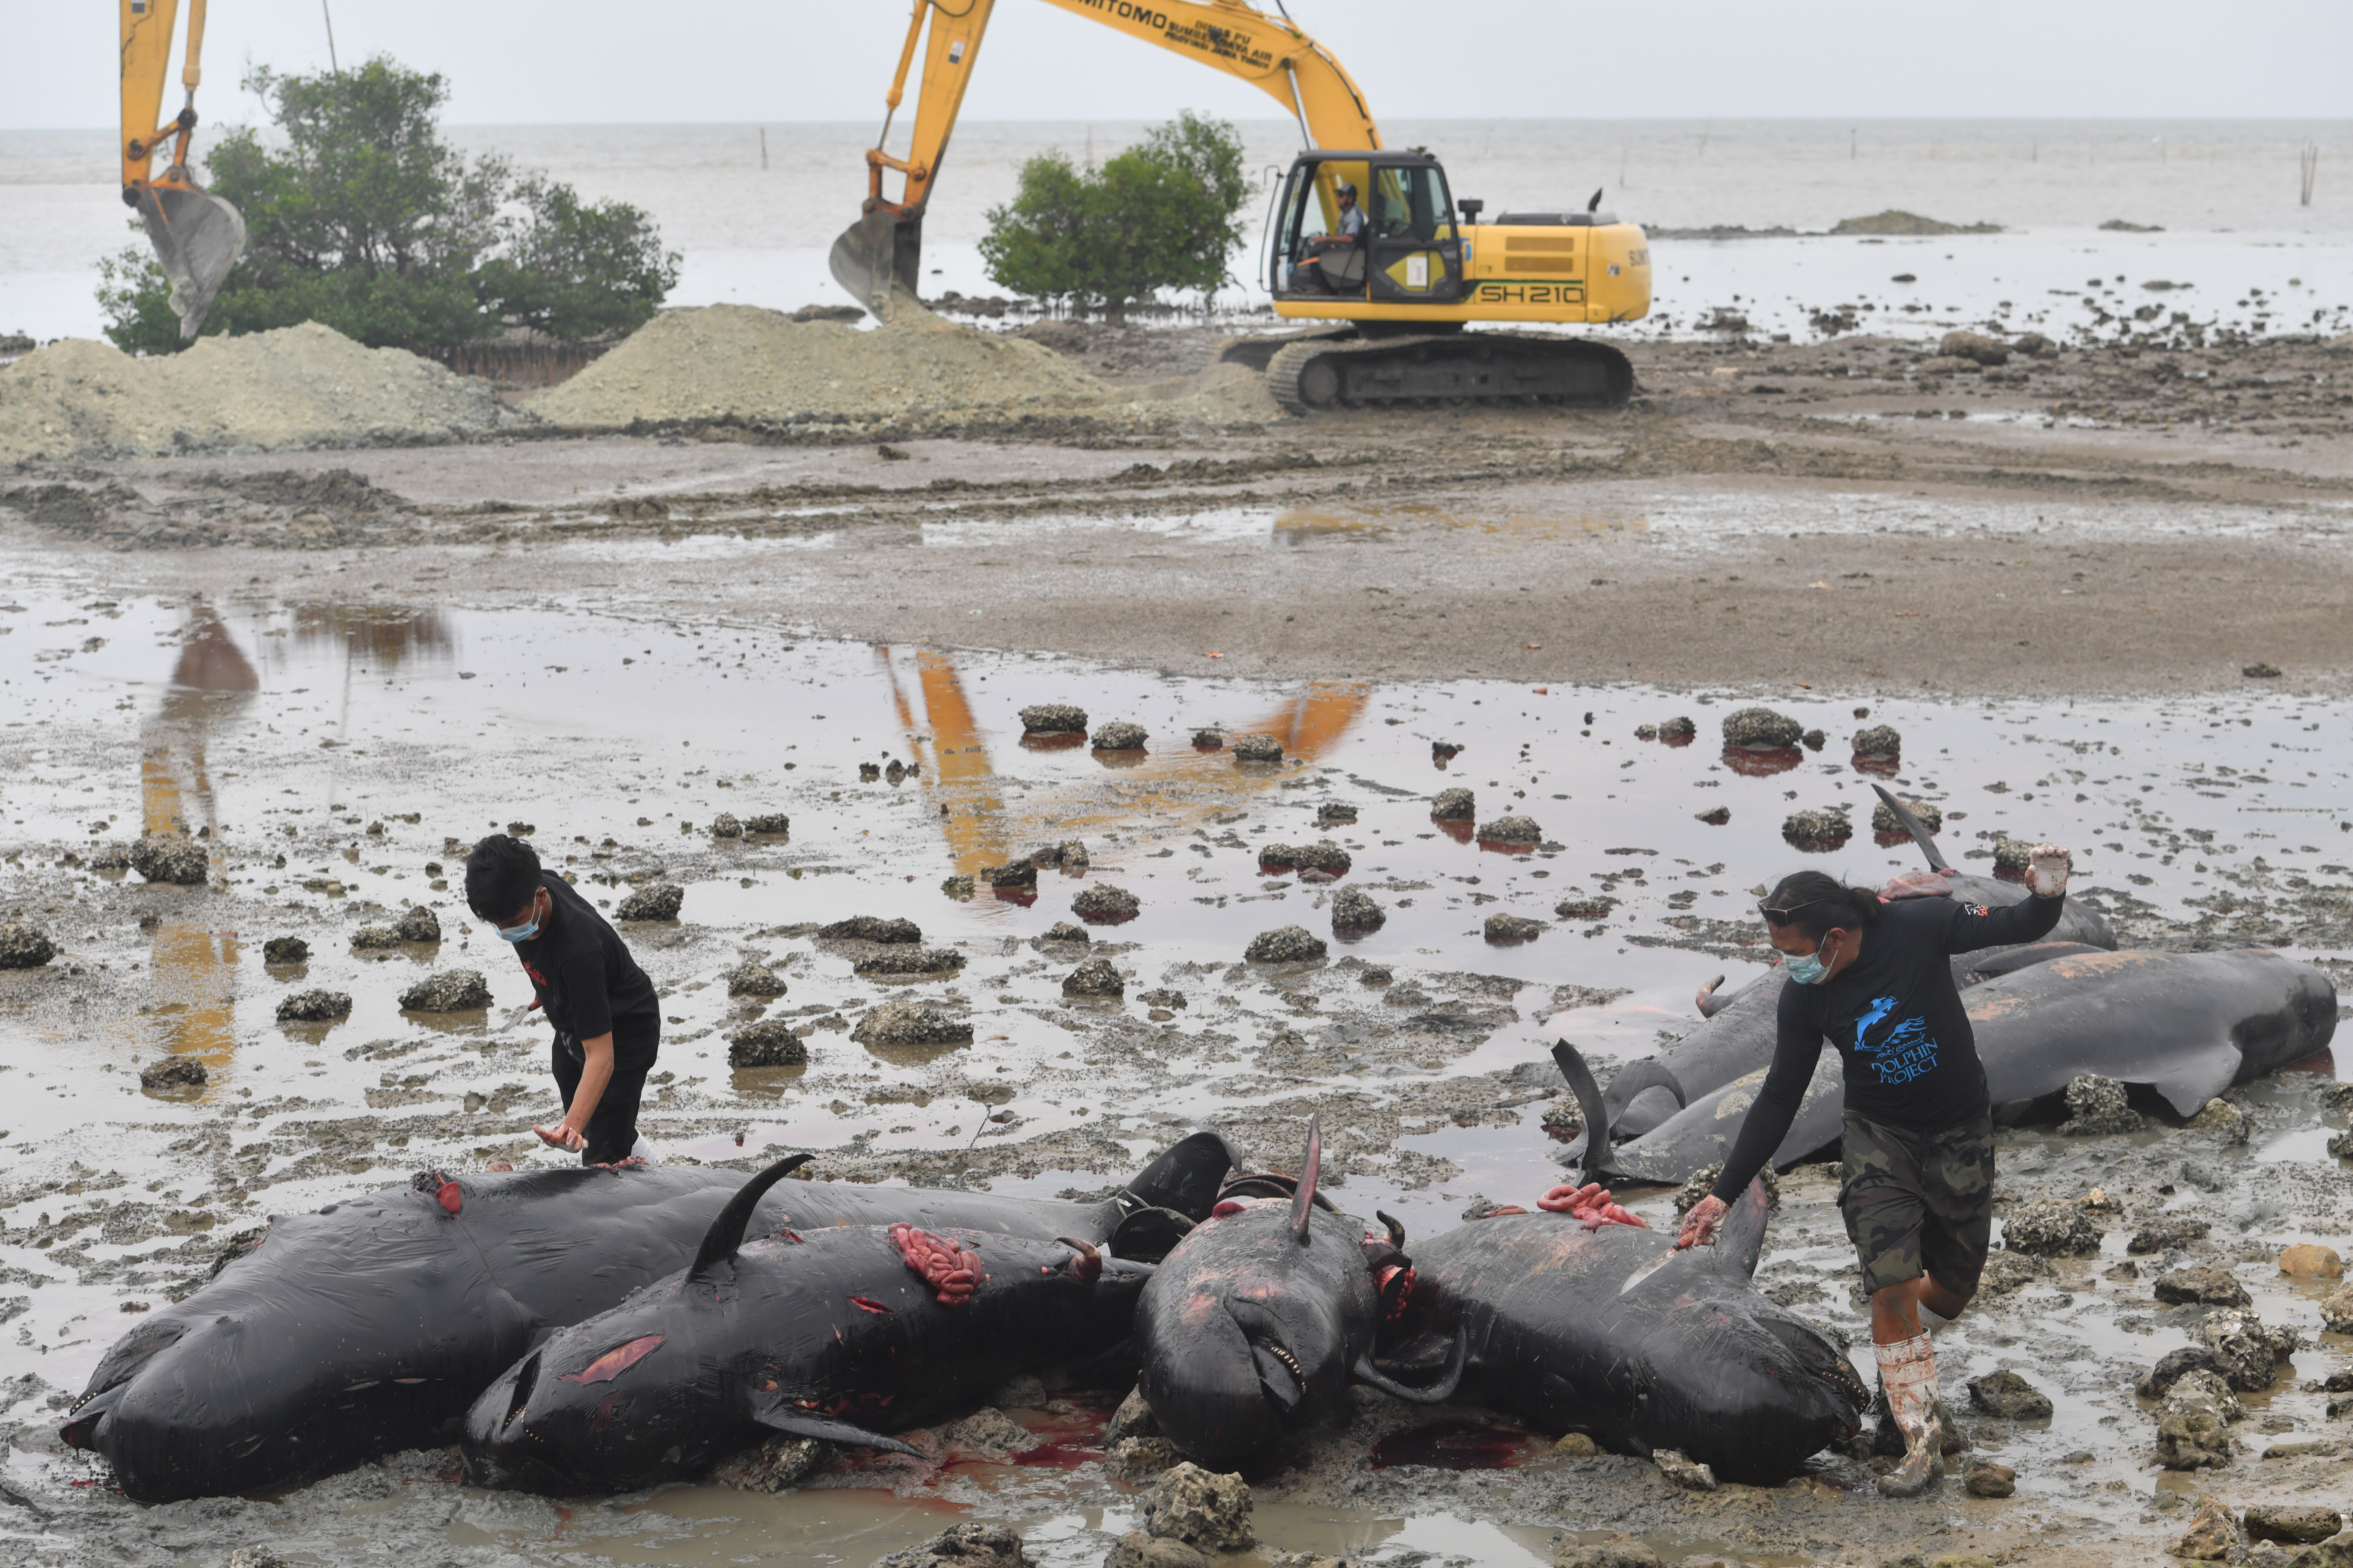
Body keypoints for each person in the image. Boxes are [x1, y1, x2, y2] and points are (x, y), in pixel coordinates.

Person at [1674, 845, 2072, 1497]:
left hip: (1959, 1127)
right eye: (1777, 951)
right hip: (1876, 1135)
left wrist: (2049, 888)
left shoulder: (1918, 926)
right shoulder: (1803, 998)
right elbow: (1779, 1095)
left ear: (1834, 935)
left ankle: (1899, 1350)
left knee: (1950, 1290)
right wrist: (1720, 1194)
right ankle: (1918, 1436)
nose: (1786, 965)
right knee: (1887, 1284)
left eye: (1793, 950)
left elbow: (2022, 925)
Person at [464, 833, 661, 1166]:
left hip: (625, 1032)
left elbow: (602, 1058)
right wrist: (551, 989)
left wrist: (571, 1128)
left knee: (600, 1158)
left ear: (540, 896)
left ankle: (656, 1191)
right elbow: (546, 954)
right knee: (598, 1118)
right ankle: (643, 1158)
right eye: (497, 925)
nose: (506, 931)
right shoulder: (526, 891)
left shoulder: (578, 952)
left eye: (511, 924)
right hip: (574, 1022)